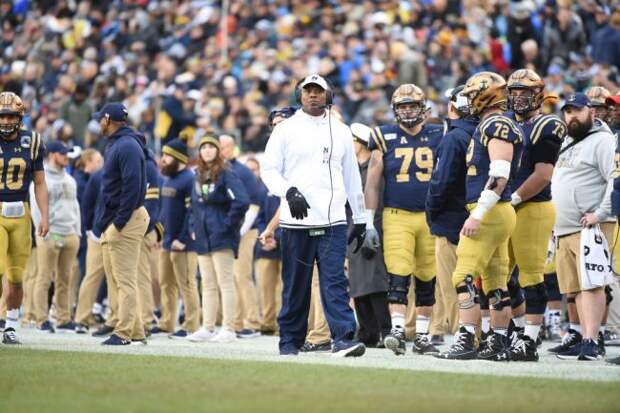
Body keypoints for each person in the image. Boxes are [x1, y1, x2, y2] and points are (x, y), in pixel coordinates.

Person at [262, 74, 367, 357]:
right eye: (307, 91)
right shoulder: (285, 130)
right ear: (299, 95)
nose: (312, 95)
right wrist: (289, 192)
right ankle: (290, 342)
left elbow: (351, 176)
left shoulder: (340, 130)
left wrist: (360, 218)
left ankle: (344, 338)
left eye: (318, 91)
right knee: (296, 285)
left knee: (334, 281)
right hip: (296, 221)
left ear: (328, 96)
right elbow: (269, 169)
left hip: (332, 219)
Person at [436, 72, 523, 361]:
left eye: (473, 95)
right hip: (497, 211)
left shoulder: (496, 122)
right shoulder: (494, 122)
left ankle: (466, 339)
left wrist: (478, 215)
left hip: (490, 211)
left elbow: (499, 174)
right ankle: (497, 341)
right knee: (496, 281)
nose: (469, 101)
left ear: (485, 95)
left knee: (463, 277)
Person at [363, 84, 444, 356]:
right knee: (398, 275)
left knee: (427, 277)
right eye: (402, 107)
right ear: (395, 110)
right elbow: (372, 183)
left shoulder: (439, 132)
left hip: (430, 216)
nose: (408, 111)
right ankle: (397, 330)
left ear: (423, 108)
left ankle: (422, 336)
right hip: (396, 214)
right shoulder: (383, 135)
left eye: (412, 105)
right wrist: (367, 220)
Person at [504, 69, 566, 361]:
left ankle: (529, 341)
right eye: (514, 92)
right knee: (500, 276)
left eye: (524, 93)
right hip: (508, 208)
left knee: (531, 275)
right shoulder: (505, 124)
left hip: (533, 206)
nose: (518, 98)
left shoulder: (547, 124)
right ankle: (516, 332)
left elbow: (543, 175)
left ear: (538, 94)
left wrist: (514, 198)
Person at [551, 93, 616, 361]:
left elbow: (615, 178)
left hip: (590, 226)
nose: (572, 116)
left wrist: (600, 213)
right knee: (575, 287)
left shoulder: (603, 140)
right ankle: (584, 336)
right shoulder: (568, 139)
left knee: (592, 284)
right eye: (568, 112)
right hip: (565, 226)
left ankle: (592, 339)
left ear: (591, 112)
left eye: (577, 111)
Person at [92, 102, 150, 346]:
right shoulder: (119, 142)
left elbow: (132, 187)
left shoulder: (126, 145)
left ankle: (123, 333)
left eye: (100, 119)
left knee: (124, 280)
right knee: (116, 279)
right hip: (117, 218)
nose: (98, 123)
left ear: (108, 120)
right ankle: (135, 330)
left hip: (126, 218)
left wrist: (118, 222)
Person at [425, 86, 477, 344]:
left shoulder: (454, 138)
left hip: (452, 219)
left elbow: (441, 182)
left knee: (453, 283)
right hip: (480, 214)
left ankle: (463, 335)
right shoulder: (485, 132)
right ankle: (485, 334)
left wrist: (432, 211)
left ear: (453, 106)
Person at [186, 136, 249, 343]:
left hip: (222, 237)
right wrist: (193, 227)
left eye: (211, 147)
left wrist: (226, 226)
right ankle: (208, 327)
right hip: (203, 238)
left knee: (225, 282)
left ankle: (229, 328)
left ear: (218, 150)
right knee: (207, 284)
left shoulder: (227, 173)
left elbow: (241, 201)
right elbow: (193, 207)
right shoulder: (197, 174)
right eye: (203, 147)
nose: (207, 150)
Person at [0, 91, 49, 345]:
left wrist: (45, 216)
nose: (6, 121)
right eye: (2, 115)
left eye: (10, 115)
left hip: (21, 212)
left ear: (19, 116)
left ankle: (10, 325)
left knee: (17, 276)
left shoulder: (33, 141)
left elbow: (40, 182)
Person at [152, 138, 200, 339]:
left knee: (187, 284)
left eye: (167, 155)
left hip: (184, 244)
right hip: (167, 242)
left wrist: (182, 238)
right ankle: (167, 323)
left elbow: (192, 212)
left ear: (178, 157)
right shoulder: (167, 178)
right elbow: (163, 211)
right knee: (166, 283)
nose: (163, 159)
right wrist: (159, 234)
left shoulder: (189, 179)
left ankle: (191, 325)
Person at [348, 122, 391, 348]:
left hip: (374, 226)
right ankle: (367, 331)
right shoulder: (351, 168)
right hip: (352, 228)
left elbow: (377, 199)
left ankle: (385, 329)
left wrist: (371, 227)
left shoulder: (376, 166)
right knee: (357, 282)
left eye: (352, 141)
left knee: (375, 280)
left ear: (362, 143)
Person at [31, 140, 81, 332]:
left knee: (65, 279)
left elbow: (75, 206)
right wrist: (43, 233)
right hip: (49, 234)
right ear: (52, 155)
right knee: (44, 278)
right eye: (63, 154)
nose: (66, 157)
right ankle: (41, 319)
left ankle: (63, 318)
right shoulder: (40, 179)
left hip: (69, 234)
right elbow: (36, 209)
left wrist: (77, 231)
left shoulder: (70, 179)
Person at [219, 134, 263, 338]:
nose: (222, 150)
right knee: (231, 277)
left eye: (225, 146)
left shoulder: (242, 171)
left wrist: (239, 231)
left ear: (233, 148)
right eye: (220, 146)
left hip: (244, 229)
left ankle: (252, 322)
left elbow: (253, 205)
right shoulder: (220, 170)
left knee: (242, 276)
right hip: (229, 229)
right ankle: (236, 321)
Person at [247, 157, 282, 336]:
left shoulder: (287, 186)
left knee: (284, 288)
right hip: (265, 245)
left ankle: (282, 323)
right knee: (265, 286)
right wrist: (265, 236)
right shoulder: (262, 189)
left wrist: (277, 238)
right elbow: (258, 217)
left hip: (285, 246)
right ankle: (267, 323)